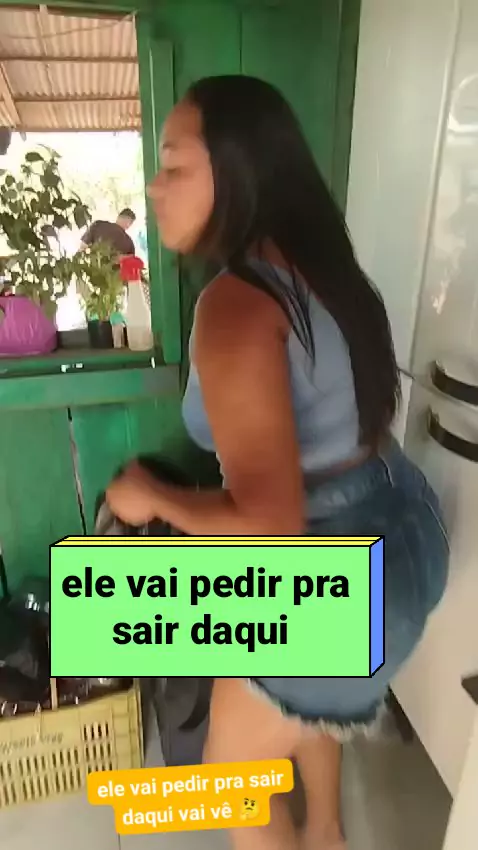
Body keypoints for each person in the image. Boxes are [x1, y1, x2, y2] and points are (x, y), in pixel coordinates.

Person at [105, 76, 450, 850]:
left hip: (333, 571)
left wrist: (152, 497)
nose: (154, 186)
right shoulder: (325, 266)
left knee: (230, 784)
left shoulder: (234, 304)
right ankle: (326, 831)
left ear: (239, 169)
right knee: (290, 698)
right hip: (406, 531)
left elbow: (269, 522)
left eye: (175, 163)